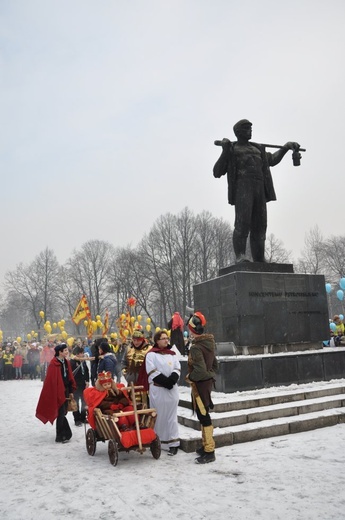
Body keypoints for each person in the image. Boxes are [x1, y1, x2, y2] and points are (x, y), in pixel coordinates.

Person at [213, 119, 300, 263]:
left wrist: (285, 148)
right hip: (243, 187)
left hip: (259, 187)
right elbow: (217, 171)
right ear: (238, 132)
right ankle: (240, 256)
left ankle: (259, 258)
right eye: (247, 128)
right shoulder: (233, 149)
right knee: (243, 223)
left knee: (260, 225)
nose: (250, 130)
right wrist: (224, 151)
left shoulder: (258, 149)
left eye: (251, 128)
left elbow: (272, 160)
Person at [138, 330, 181, 455]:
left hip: (171, 389)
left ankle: (174, 443)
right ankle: (158, 441)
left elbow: (177, 367)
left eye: (167, 338)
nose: (166, 340)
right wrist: (164, 381)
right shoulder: (151, 355)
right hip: (158, 390)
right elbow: (151, 370)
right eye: (163, 338)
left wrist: (172, 380)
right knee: (159, 416)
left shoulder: (172, 354)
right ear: (157, 340)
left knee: (172, 417)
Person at [186, 312, 218, 464]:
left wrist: (190, 377)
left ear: (193, 330)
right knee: (203, 415)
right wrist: (210, 375)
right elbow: (215, 366)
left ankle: (209, 451)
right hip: (206, 384)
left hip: (199, 386)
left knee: (204, 417)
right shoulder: (209, 342)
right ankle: (206, 445)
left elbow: (200, 371)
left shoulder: (197, 347)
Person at [36, 343, 77, 443]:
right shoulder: (53, 364)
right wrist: (58, 390)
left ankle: (65, 433)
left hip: (66, 389)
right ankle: (60, 435)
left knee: (63, 412)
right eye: (65, 350)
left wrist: (71, 390)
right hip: (57, 391)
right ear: (60, 352)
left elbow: (69, 377)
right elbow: (51, 380)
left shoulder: (66, 362)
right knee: (61, 412)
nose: (67, 352)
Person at [122, 329, 152, 406]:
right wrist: (126, 374)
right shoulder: (129, 349)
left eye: (138, 340)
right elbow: (123, 363)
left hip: (144, 382)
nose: (136, 342)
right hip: (131, 381)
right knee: (132, 403)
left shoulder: (149, 349)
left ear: (142, 340)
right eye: (134, 340)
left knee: (144, 403)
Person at [70, 346, 90, 426]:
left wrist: (87, 381)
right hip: (75, 385)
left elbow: (86, 371)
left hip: (83, 385)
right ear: (77, 354)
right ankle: (77, 419)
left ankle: (83, 417)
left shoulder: (83, 361)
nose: (82, 355)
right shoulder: (72, 362)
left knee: (84, 402)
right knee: (76, 403)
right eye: (80, 353)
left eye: (82, 353)